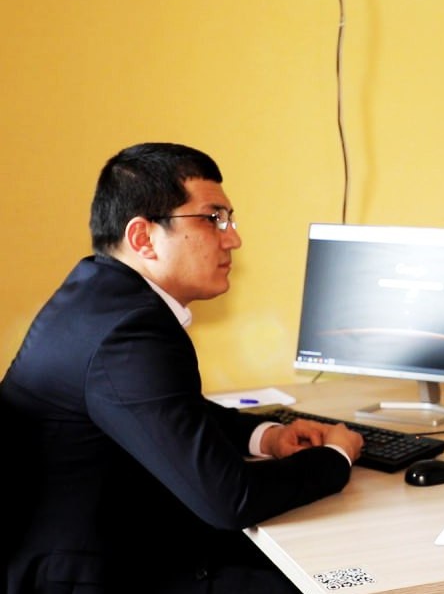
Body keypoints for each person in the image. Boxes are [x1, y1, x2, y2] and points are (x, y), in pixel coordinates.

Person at [1, 143, 365, 593]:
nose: (232, 238)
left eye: (229, 219)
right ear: (143, 238)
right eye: (213, 219)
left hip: (98, 541)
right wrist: (335, 457)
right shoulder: (131, 332)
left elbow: (166, 410)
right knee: (340, 580)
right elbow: (230, 500)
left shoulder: (95, 293)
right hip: (100, 573)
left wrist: (265, 436)